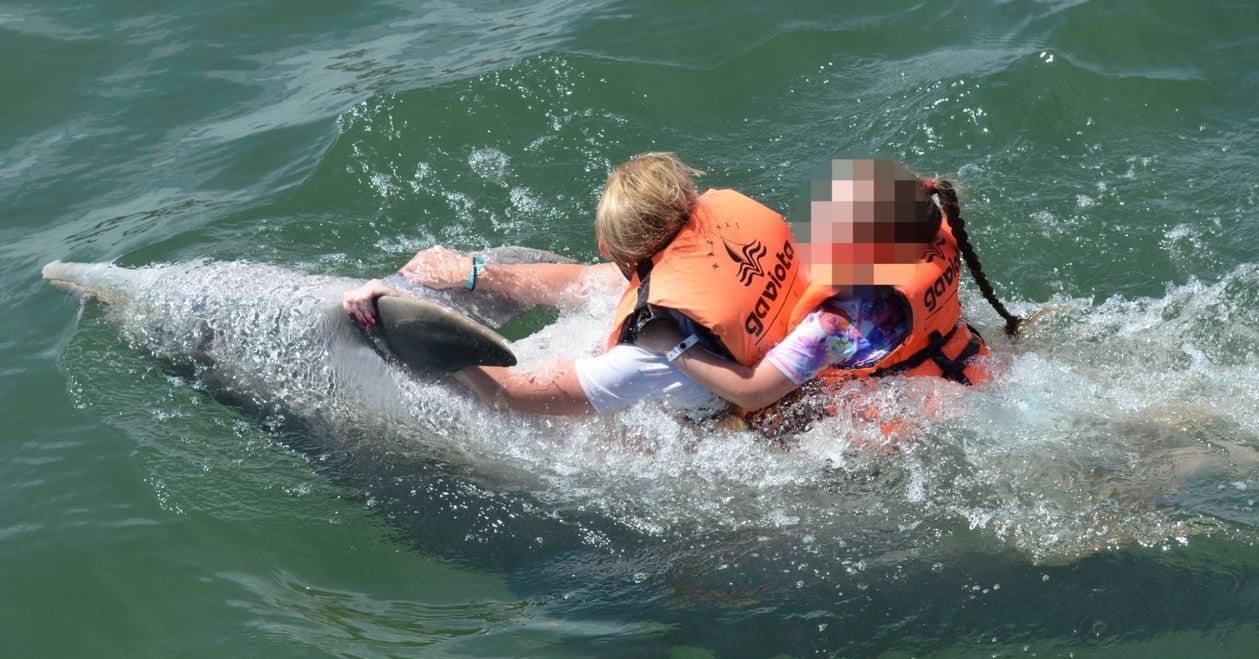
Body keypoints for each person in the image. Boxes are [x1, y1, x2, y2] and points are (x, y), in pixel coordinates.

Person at [342, 152, 809, 417]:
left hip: (741, 429)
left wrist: (428, 337)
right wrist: (474, 275)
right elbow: (587, 282)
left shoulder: (652, 349)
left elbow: (515, 394)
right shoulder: (715, 247)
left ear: (618, 249)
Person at [634, 158, 1022, 435]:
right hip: (977, 376)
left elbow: (752, 391)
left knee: (709, 428)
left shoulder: (832, 325)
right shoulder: (930, 248)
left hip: (913, 429)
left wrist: (674, 346)